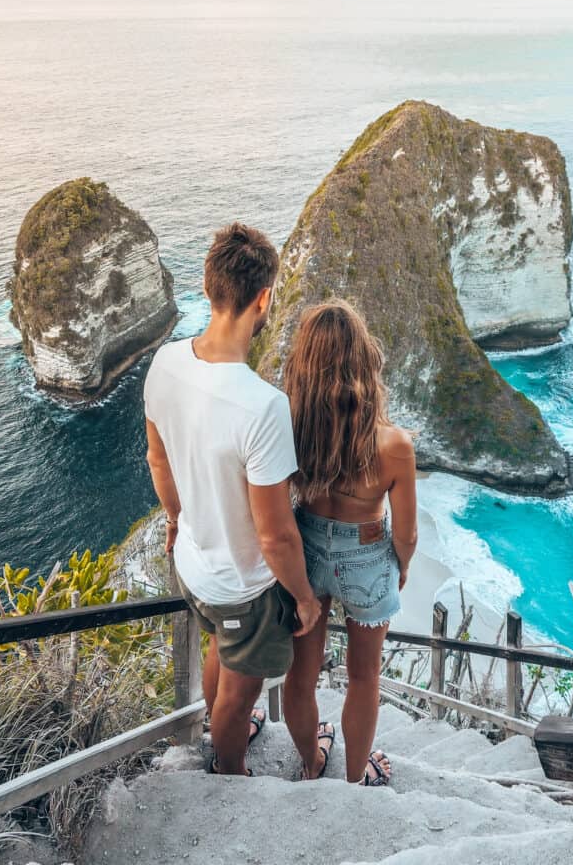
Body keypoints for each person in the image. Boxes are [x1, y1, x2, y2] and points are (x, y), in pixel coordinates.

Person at [144, 222, 321, 776]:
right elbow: (274, 534)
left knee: (220, 648)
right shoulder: (263, 406)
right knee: (235, 699)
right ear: (264, 298)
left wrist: (176, 520)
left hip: (193, 566)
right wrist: (306, 599)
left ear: (208, 285)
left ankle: (225, 737)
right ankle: (229, 777)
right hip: (242, 587)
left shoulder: (164, 363)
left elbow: (158, 459)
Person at [281, 300, 418, 786]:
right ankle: (356, 779)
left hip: (306, 548)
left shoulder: (290, 431)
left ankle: (311, 762)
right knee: (364, 678)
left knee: (302, 674)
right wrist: (399, 565)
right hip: (368, 555)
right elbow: (406, 532)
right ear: (365, 363)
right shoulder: (393, 445)